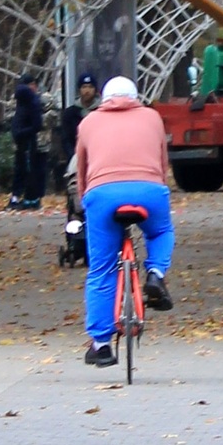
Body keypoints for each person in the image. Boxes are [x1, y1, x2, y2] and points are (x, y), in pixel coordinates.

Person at [74, 73, 176, 366]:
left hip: (102, 194)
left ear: (103, 99)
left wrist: (85, 199)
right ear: (136, 98)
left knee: (101, 270)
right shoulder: (152, 117)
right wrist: (158, 185)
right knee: (160, 232)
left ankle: (101, 345)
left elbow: (82, 167)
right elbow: (162, 161)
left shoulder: (88, 122)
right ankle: (155, 274)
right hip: (149, 190)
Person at [11, 72, 46, 209]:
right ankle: (31, 198)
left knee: (21, 167)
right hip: (30, 138)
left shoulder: (20, 100)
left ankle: (17, 196)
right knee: (30, 168)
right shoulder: (33, 101)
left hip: (21, 137)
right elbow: (38, 123)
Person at [59, 69, 101, 174]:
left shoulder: (101, 111)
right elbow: (66, 138)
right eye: (84, 87)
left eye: (90, 87)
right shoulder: (70, 113)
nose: (87, 91)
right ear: (79, 90)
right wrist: (73, 156)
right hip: (75, 158)